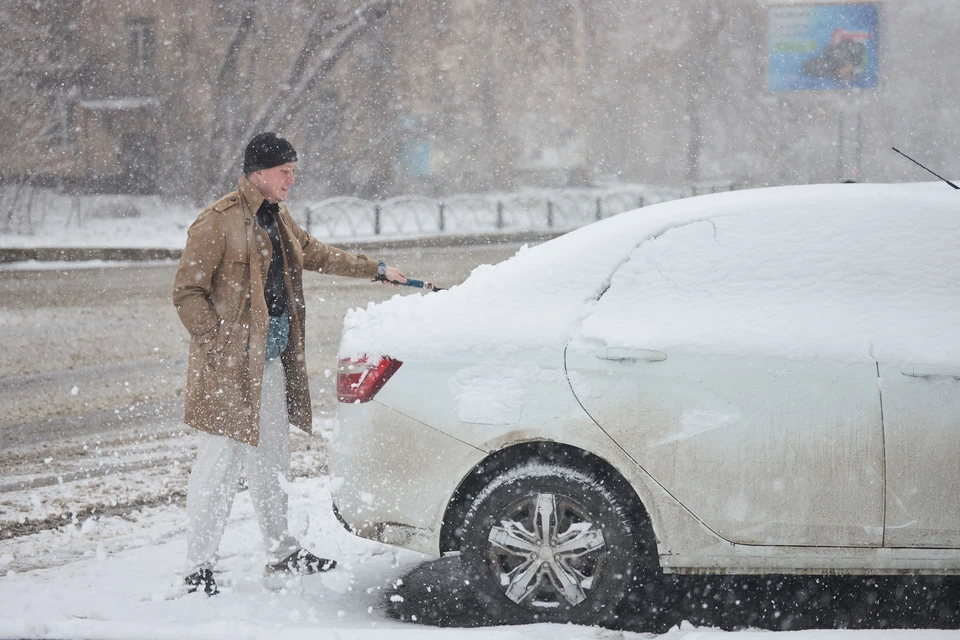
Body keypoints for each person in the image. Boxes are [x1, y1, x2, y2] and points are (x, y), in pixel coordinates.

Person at [172, 132, 407, 595]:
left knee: (271, 462)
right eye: (285, 171)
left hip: (272, 361)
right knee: (217, 467)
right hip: (227, 370)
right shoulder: (215, 223)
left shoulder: (277, 217)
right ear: (258, 173)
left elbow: (315, 253)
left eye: (293, 170)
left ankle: (282, 554)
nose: (291, 179)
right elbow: (187, 293)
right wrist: (219, 346)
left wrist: (375, 269)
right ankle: (198, 568)